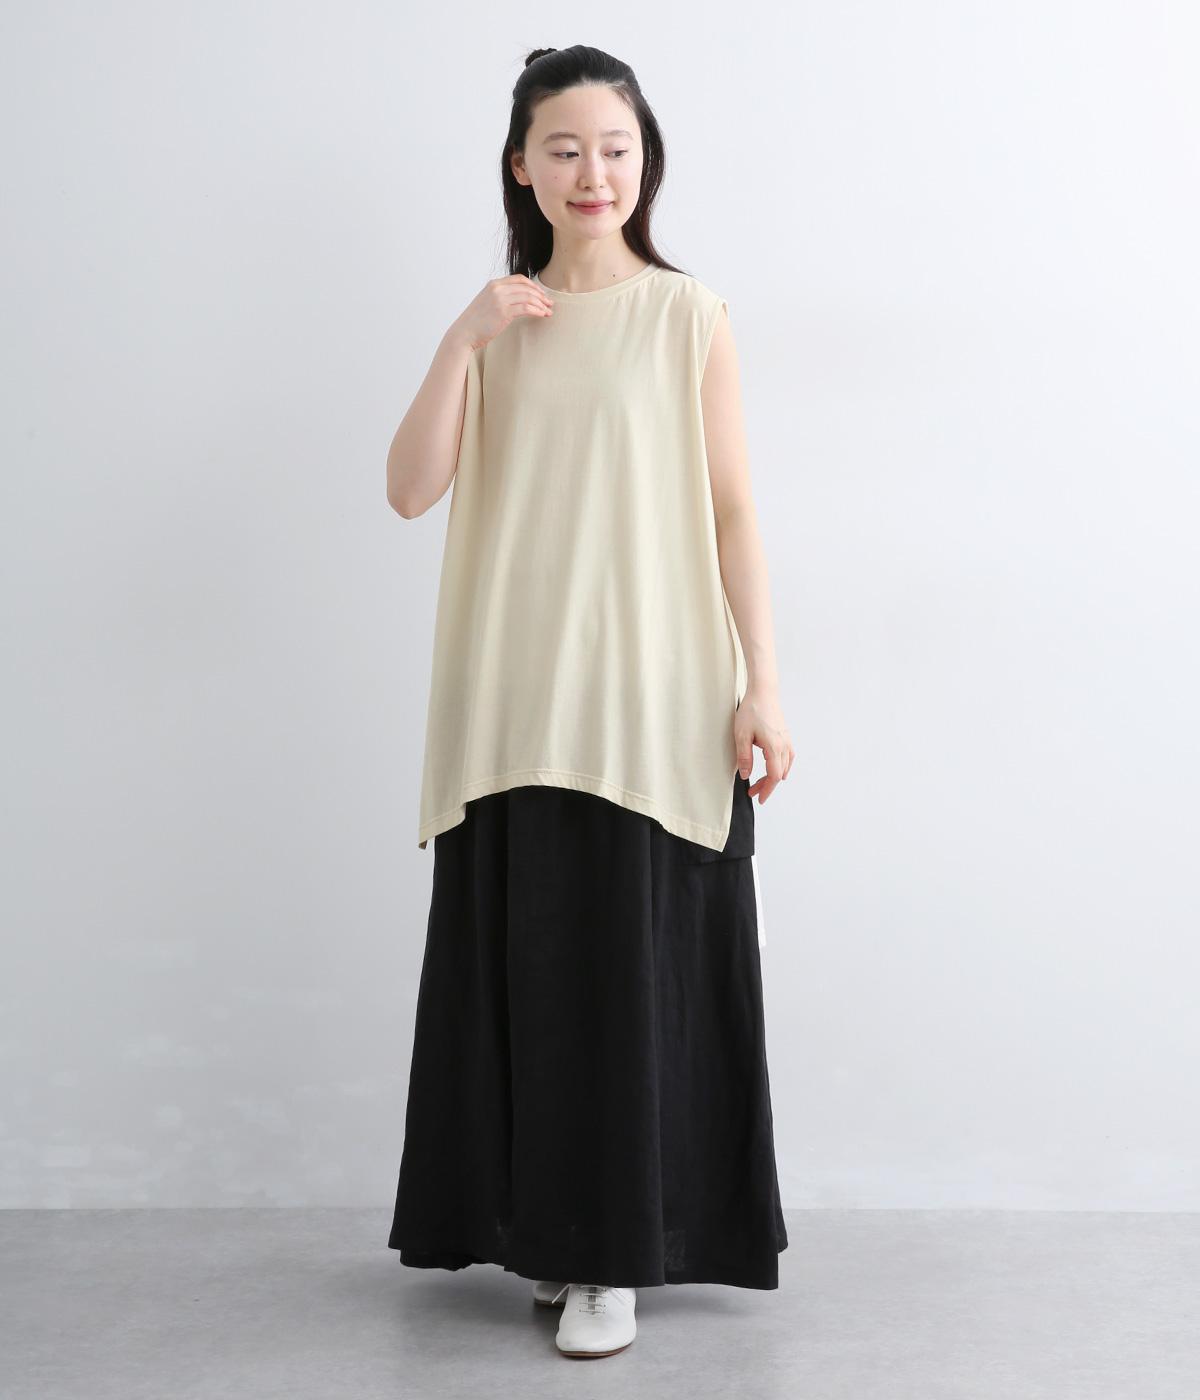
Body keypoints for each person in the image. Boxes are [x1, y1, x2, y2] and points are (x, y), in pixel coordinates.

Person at [384, 44, 795, 1361]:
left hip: (653, 698)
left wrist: (763, 683)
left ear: (645, 161)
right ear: (521, 166)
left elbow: (734, 512)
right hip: (513, 701)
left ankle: (617, 1258)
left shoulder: (688, 316)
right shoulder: (499, 326)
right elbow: (409, 489)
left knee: (628, 981)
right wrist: (464, 336)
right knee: (535, 977)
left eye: (615, 148)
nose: (593, 173)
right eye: (563, 149)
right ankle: (551, 1242)